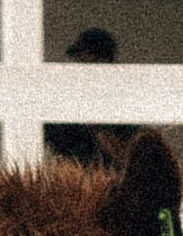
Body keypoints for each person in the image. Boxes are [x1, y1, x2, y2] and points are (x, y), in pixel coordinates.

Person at [44, 23, 138, 170]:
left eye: (90, 63)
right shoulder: (62, 107)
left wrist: (97, 125)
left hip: (111, 185)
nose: (82, 73)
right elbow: (53, 154)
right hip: (74, 187)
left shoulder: (122, 107)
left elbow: (127, 159)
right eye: (79, 63)